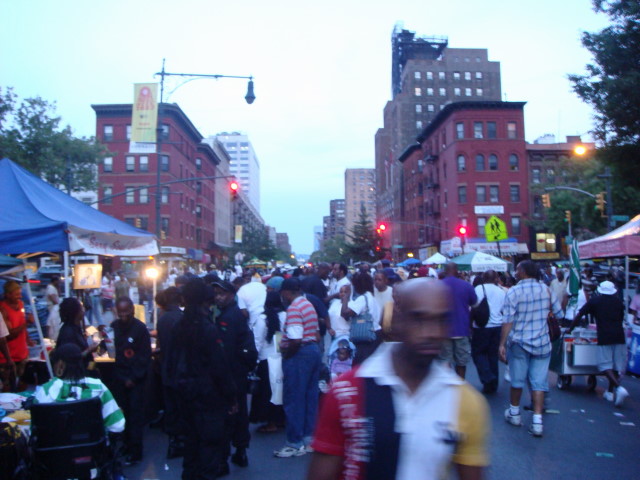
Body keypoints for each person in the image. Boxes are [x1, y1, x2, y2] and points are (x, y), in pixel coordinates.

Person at [307, 278, 489, 480]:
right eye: (418, 319)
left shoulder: (466, 402)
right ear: (397, 319)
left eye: (441, 320)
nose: (431, 332)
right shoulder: (346, 392)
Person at [163, 277, 237, 480]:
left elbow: (170, 362)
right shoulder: (207, 328)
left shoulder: (179, 327)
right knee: (209, 448)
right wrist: (230, 396)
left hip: (184, 395)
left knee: (191, 446)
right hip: (207, 397)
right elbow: (219, 367)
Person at [499, 260, 563, 437]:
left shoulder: (514, 291)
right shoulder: (546, 290)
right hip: (542, 342)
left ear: (524, 272)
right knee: (539, 383)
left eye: (518, 270)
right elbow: (559, 313)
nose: (515, 273)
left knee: (517, 380)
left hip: (519, 342)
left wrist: (502, 343)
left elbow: (508, 320)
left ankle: (514, 413)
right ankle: (537, 421)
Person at [212, 279, 258, 471]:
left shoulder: (230, 317)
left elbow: (227, 349)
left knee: (230, 414)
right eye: (216, 294)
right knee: (238, 413)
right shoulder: (226, 313)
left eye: (222, 294)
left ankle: (227, 456)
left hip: (232, 373)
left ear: (231, 295)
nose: (218, 297)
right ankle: (239, 450)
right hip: (236, 372)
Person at [274, 278, 321, 458]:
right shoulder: (308, 305)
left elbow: (295, 339)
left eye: (282, 293)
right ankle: (309, 439)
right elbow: (315, 332)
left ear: (286, 292)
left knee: (294, 398)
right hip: (312, 351)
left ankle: (294, 442)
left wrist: (287, 354)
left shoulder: (293, 309)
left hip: (299, 354)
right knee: (310, 397)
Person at [34, 343, 125, 433]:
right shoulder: (99, 387)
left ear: (58, 364)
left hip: (55, 442)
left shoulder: (45, 390)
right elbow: (117, 426)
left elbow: (35, 429)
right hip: (92, 442)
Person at [568, 281, 630, 406]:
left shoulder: (595, 301)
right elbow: (621, 318)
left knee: (605, 365)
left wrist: (570, 329)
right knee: (616, 366)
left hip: (604, 336)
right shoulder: (618, 302)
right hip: (619, 335)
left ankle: (618, 388)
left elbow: (580, 314)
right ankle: (610, 392)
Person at [111, 296, 151, 465]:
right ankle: (126, 445)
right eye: (120, 312)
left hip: (136, 380)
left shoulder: (140, 329)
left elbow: (145, 356)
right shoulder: (114, 327)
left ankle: (136, 451)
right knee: (123, 415)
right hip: (120, 377)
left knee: (135, 417)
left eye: (126, 311)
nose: (123, 315)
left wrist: (134, 377)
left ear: (132, 310)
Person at [250, 290, 286, 434]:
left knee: (266, 394)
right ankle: (280, 419)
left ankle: (271, 422)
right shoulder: (285, 316)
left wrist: (253, 361)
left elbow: (257, 342)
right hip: (281, 358)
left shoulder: (262, 319)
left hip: (265, 360)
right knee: (279, 391)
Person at [155, 287, 185, 459]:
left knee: (171, 406)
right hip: (180, 369)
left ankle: (174, 441)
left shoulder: (163, 319)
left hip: (167, 368)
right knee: (181, 406)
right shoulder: (182, 318)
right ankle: (181, 440)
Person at [471, 270, 506, 394]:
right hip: (497, 326)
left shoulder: (478, 289)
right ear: (496, 278)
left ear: (483, 278)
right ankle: (493, 384)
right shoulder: (501, 291)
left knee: (478, 353)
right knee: (492, 355)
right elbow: (503, 309)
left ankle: (487, 376)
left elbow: (473, 306)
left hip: (481, 326)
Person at [441, 263, 477, 379]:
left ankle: (448, 384)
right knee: (461, 362)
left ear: (445, 271)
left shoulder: (438, 286)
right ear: (457, 271)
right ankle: (460, 384)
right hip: (462, 329)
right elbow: (475, 304)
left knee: (445, 361)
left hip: (443, 330)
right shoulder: (466, 285)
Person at [341, 272, 382, 365]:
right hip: (376, 334)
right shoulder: (372, 298)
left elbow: (345, 313)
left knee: (360, 365)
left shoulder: (363, 299)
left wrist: (346, 297)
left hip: (366, 337)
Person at [0, 281, 31, 391]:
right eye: (17, 294)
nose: (20, 296)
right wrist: (27, 323)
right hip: (7, 358)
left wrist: (28, 339)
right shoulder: (2, 310)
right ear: (8, 295)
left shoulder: (21, 304)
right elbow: (9, 334)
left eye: (20, 294)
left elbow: (21, 323)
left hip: (22, 354)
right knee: (9, 389)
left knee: (23, 386)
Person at [56, 297, 99, 368]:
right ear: (76, 312)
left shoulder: (76, 327)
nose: (83, 310)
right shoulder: (68, 332)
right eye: (81, 308)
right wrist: (89, 350)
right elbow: (72, 358)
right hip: (75, 371)